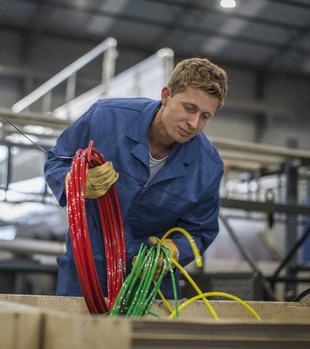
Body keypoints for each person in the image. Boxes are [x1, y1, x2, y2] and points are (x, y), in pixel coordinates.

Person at [44, 57, 227, 299]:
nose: (193, 124)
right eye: (189, 108)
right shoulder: (105, 118)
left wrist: (174, 250)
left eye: (205, 116)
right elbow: (57, 160)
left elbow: (201, 230)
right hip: (86, 272)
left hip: (149, 283)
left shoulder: (208, 166)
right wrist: (75, 181)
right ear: (166, 95)